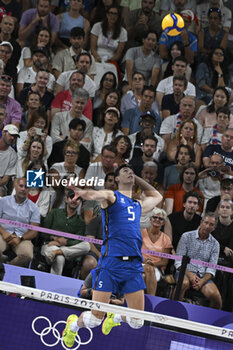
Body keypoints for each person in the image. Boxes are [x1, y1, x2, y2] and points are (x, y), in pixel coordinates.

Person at [62, 163, 162, 347]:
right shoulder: (111, 196)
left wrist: (135, 178)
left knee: (137, 322)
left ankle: (115, 317)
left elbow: (158, 196)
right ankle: (73, 325)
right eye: (125, 171)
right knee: (94, 320)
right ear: (116, 179)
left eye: (132, 170)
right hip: (111, 264)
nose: (130, 172)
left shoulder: (137, 205)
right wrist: (83, 193)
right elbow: (94, 194)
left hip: (133, 267)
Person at [174, 213, 222, 309]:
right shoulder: (186, 236)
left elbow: (212, 268)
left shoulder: (215, 244)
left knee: (216, 296)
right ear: (201, 222)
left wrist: (201, 281)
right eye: (206, 223)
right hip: (184, 272)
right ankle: (174, 312)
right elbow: (178, 261)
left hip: (203, 277)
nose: (208, 226)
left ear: (214, 228)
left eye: (211, 224)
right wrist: (191, 276)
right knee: (183, 284)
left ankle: (209, 322)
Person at [41, 188, 90, 275]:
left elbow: (78, 240)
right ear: (66, 199)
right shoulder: (54, 213)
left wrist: (66, 242)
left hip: (67, 249)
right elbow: (42, 231)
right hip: (50, 245)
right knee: (60, 258)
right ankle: (53, 286)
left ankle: (57, 253)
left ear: (80, 202)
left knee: (87, 245)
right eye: (71, 197)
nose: (74, 200)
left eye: (78, 199)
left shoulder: (80, 222)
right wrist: (55, 238)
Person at [0, 177, 40, 267]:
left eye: (26, 187)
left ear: (29, 190)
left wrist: (20, 238)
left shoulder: (34, 208)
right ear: (15, 186)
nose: (23, 189)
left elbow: (34, 231)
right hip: (3, 233)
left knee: (27, 255)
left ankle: (7, 269)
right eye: (21, 186)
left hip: (23, 238)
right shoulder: (3, 201)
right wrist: (4, 233)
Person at [142, 208, 173, 296]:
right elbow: (135, 252)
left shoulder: (166, 239)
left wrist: (152, 264)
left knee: (145, 274)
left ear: (163, 222)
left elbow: (164, 261)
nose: (157, 220)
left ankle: (146, 301)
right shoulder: (141, 233)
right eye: (155, 217)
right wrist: (144, 262)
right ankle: (151, 301)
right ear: (150, 219)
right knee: (147, 269)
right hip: (140, 263)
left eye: (160, 219)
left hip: (157, 268)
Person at [0, 124, 18, 196]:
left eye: (15, 136)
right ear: (4, 132)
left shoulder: (13, 155)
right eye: (11, 135)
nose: (13, 138)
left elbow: (5, 180)